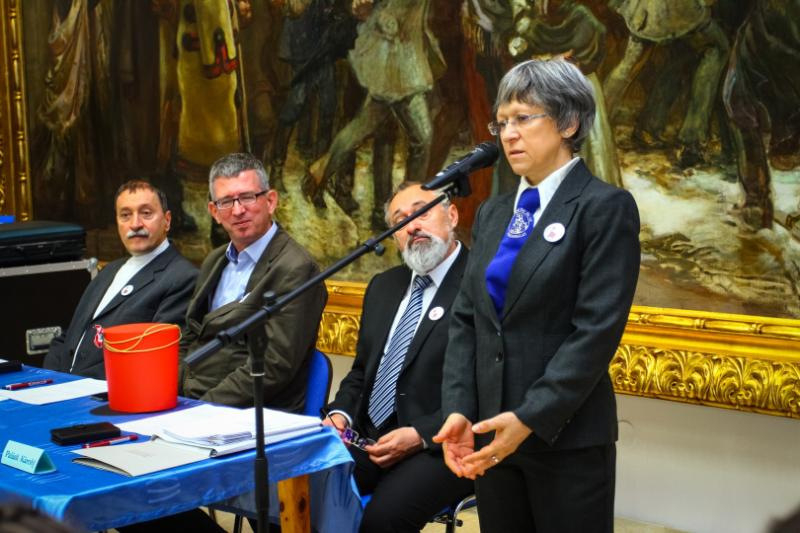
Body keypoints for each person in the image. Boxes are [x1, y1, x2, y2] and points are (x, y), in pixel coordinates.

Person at [434, 58, 641, 533]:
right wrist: (459, 408)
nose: (508, 135)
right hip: (492, 436)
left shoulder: (604, 208)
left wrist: (528, 417)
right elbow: (467, 319)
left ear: (568, 123)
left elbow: (595, 332)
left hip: (563, 438)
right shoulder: (494, 213)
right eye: (501, 122)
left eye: (523, 118)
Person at [323, 182, 474, 533]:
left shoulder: (481, 283)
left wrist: (420, 434)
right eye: (400, 220)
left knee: (382, 521)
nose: (412, 226)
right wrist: (341, 414)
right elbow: (362, 372)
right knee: (293, 487)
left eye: (422, 213)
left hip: (443, 442)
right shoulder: (384, 286)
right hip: (369, 436)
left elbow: (489, 387)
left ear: (451, 216)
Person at [178, 152, 327, 410]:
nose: (238, 210)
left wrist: (200, 409)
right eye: (226, 202)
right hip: (186, 401)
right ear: (214, 212)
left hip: (249, 412)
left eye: (247, 197)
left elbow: (273, 366)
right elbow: (192, 333)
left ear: (271, 201)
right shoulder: (214, 260)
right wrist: (166, 393)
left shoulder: (296, 268)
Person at [44, 180, 198, 379]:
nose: (135, 224)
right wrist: (51, 380)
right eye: (125, 215)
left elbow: (154, 358)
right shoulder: (109, 271)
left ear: (167, 221)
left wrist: (79, 386)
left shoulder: (182, 278)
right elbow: (68, 338)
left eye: (146, 213)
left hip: (109, 393)